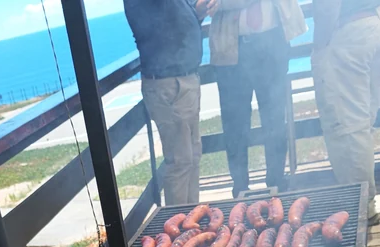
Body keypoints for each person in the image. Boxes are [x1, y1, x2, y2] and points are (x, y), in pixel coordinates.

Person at [208, 0, 307, 197]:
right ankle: (240, 188)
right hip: (231, 50)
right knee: (234, 126)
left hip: (272, 44)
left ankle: (277, 184)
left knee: (275, 121)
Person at [123, 0, 209, 205]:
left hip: (185, 79)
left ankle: (191, 220)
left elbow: (176, 23)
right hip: (168, 85)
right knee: (180, 161)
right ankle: (179, 227)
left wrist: (198, 12)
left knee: (193, 156)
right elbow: (158, 30)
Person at [312, 0, 380, 223]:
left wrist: (321, 46)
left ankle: (362, 208)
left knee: (347, 127)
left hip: (349, 34)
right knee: (363, 123)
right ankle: (368, 204)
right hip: (372, 24)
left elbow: (327, 5)